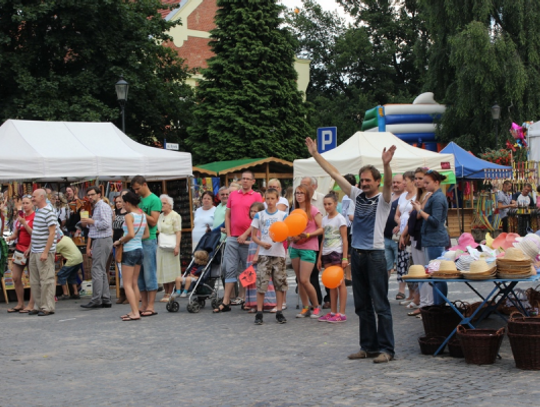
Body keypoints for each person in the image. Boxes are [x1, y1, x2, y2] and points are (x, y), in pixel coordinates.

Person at [306, 136, 396, 363]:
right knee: (362, 305)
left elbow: (387, 184)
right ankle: (368, 347)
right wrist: (316, 155)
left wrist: (386, 165)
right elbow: (335, 174)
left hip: (375, 256)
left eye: (367, 181)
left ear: (376, 182)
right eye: (361, 180)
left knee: (381, 304)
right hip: (357, 255)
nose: (363, 184)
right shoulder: (356, 195)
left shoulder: (384, 200)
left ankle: (387, 350)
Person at [213, 170, 263, 313]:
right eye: (243, 179)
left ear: (253, 181)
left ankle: (248, 299)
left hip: (249, 238)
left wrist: (246, 234)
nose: (245, 181)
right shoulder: (233, 195)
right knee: (230, 268)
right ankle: (226, 301)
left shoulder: (257, 196)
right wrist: (229, 234)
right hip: (233, 237)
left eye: (248, 179)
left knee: (247, 270)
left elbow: (258, 218)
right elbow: (227, 215)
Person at [251, 189, 289, 325]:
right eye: (267, 199)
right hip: (264, 254)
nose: (270, 201)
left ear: (277, 199)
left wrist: (282, 237)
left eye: (272, 198)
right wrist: (262, 243)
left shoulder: (283, 215)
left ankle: (279, 311)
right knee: (262, 283)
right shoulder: (259, 216)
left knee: (279, 283)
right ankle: (259, 312)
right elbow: (254, 236)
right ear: (264, 199)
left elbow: (286, 234)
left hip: (278, 254)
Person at [412, 170, 450, 306]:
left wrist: (420, 211)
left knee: (437, 274)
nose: (425, 185)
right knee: (435, 275)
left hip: (435, 240)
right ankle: (437, 305)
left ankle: (438, 306)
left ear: (437, 182)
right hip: (431, 240)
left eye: (427, 182)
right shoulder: (434, 196)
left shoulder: (438, 198)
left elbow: (435, 221)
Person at [113, 191, 149, 321]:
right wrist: (136, 238)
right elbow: (146, 234)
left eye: (123, 203)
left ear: (128, 203)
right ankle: (135, 309)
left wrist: (119, 241)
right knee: (134, 283)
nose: (123, 206)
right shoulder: (142, 215)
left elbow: (130, 234)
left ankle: (135, 312)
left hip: (129, 250)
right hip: (139, 249)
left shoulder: (129, 216)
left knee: (127, 284)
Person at [290, 185, 324, 319]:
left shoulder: (314, 210)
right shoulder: (294, 211)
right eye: (297, 193)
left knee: (305, 279)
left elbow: (322, 229)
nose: (299, 195)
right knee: (299, 280)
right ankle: (305, 307)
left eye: (301, 193)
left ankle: (316, 306)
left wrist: (308, 235)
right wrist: (291, 236)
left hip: (309, 248)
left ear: (307, 196)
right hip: (295, 247)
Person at [131, 175, 162, 317]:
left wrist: (140, 212)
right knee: (139, 276)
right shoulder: (139, 199)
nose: (136, 192)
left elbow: (154, 221)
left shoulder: (154, 200)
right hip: (138, 240)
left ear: (144, 184)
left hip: (149, 240)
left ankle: (151, 305)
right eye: (134, 189)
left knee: (149, 272)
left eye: (137, 188)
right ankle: (143, 304)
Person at [316, 193, 348, 323]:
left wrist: (345, 257)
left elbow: (345, 239)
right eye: (325, 204)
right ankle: (333, 312)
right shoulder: (324, 220)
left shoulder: (340, 219)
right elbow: (323, 239)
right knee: (331, 284)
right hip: (326, 253)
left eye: (329, 204)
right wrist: (319, 257)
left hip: (337, 252)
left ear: (335, 204)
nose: (327, 206)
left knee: (340, 283)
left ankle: (342, 313)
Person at [80, 186, 113, 309]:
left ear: (99, 194)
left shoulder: (102, 206)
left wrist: (91, 222)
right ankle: (105, 297)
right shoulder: (97, 207)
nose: (90, 197)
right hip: (100, 239)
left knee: (97, 269)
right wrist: (88, 223)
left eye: (92, 194)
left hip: (102, 239)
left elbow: (106, 224)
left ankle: (97, 299)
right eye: (88, 195)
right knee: (101, 269)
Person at [26, 189, 58, 316]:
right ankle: (38, 305)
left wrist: (46, 251)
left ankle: (47, 307)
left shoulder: (49, 212)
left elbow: (52, 233)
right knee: (34, 280)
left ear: (41, 197)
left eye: (34, 197)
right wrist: (30, 248)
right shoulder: (39, 211)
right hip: (35, 250)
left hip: (43, 251)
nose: (32, 199)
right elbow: (36, 232)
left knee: (46, 280)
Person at [243, 202, 277, 313]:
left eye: (255, 211)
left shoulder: (262, 223)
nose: (253, 213)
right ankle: (254, 303)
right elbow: (254, 240)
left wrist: (257, 255)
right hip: (251, 253)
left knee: (261, 278)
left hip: (258, 253)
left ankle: (268, 303)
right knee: (251, 278)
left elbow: (262, 240)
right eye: (252, 211)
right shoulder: (253, 224)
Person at [5, 194, 35, 313]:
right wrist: (7, 238)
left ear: (32, 204)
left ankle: (31, 304)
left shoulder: (35, 217)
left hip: (31, 248)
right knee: (16, 277)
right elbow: (16, 234)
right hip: (19, 249)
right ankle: (20, 303)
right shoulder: (19, 218)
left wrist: (25, 223)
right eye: (23, 203)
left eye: (27, 203)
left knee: (32, 277)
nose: (25, 205)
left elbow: (34, 233)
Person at [300, 176, 326, 306]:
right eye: (301, 185)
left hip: (318, 236)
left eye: (305, 185)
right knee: (308, 275)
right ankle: (312, 302)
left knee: (319, 269)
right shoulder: (299, 202)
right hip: (301, 239)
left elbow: (325, 223)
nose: (302, 188)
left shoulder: (321, 199)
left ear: (314, 186)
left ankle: (326, 300)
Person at [394, 171, 415, 301]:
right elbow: (397, 214)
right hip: (402, 234)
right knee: (402, 265)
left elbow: (413, 217)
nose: (403, 183)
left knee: (411, 265)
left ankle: (415, 294)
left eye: (405, 180)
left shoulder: (418, 195)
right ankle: (409, 293)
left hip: (410, 235)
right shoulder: (402, 196)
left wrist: (405, 229)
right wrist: (399, 222)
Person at [157, 194, 182, 302]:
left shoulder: (175, 215)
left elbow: (178, 232)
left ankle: (170, 292)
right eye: (161, 203)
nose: (162, 205)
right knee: (162, 269)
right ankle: (165, 291)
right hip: (161, 245)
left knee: (170, 269)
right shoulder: (160, 215)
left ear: (170, 205)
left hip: (171, 245)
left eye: (164, 203)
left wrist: (177, 246)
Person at [383, 174, 405, 280]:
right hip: (386, 236)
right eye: (394, 182)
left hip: (398, 237)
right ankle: (383, 292)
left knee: (401, 267)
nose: (395, 184)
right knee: (385, 267)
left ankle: (402, 291)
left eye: (398, 182)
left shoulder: (405, 198)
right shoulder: (389, 196)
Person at [340, 174, 357, 286]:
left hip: (352, 226)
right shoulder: (344, 197)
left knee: (351, 252)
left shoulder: (354, 195)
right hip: (344, 225)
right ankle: (346, 275)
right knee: (345, 252)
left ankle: (350, 275)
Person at [112, 193, 128, 304]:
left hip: (124, 242)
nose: (118, 204)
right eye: (116, 202)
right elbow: (113, 228)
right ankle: (122, 294)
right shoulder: (115, 213)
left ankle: (127, 294)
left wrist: (121, 240)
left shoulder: (129, 213)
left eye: (120, 201)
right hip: (116, 243)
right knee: (119, 268)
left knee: (125, 270)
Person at [56, 235, 83, 300]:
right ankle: (76, 293)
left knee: (61, 275)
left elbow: (54, 253)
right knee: (72, 275)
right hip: (79, 259)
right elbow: (68, 249)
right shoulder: (67, 238)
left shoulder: (59, 244)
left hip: (72, 260)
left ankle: (65, 294)